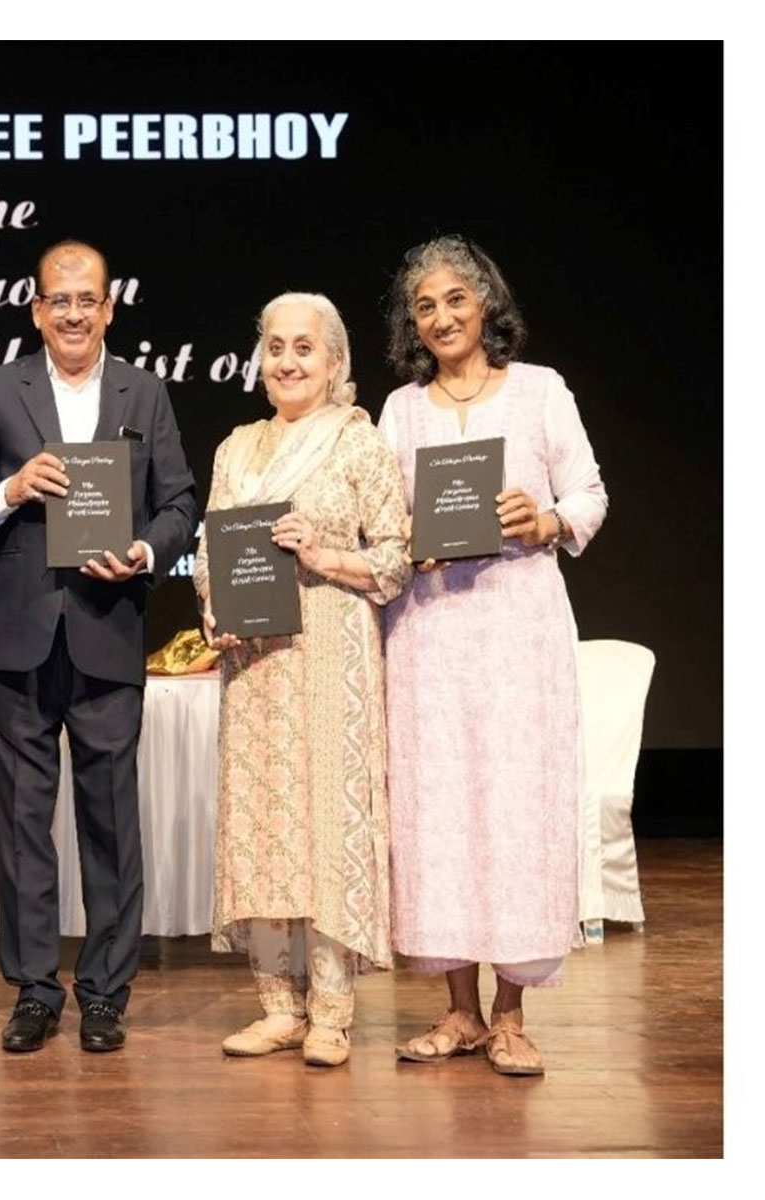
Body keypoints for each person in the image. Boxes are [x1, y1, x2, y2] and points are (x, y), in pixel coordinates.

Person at [0, 240, 198, 1053]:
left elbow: (179, 503)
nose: (73, 312)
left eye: (87, 298)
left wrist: (146, 551)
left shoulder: (145, 391)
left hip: (107, 630)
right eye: (59, 299)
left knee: (110, 822)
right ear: (37, 311)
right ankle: (33, 990)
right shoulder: (1, 388)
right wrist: (11, 489)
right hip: (18, 637)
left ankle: (103, 992)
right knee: (24, 824)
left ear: (108, 308)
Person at [379, 235, 607, 1077]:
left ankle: (511, 1016)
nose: (441, 318)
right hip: (430, 634)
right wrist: (410, 536)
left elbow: (589, 493)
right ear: (412, 324)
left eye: (455, 300)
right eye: (425, 307)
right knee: (438, 813)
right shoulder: (401, 411)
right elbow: (381, 521)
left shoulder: (541, 391)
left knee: (516, 811)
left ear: (485, 304)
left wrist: (544, 520)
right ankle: (459, 1012)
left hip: (519, 632)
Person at [194, 293, 409, 1068]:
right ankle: (278, 1007)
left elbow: (396, 557)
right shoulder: (236, 448)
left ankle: (332, 1011)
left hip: (329, 652)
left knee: (325, 824)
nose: (287, 362)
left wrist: (322, 555)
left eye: (303, 348)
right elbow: (210, 552)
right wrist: (213, 608)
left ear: (335, 360)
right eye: (275, 347)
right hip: (254, 666)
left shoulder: (358, 441)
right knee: (265, 826)